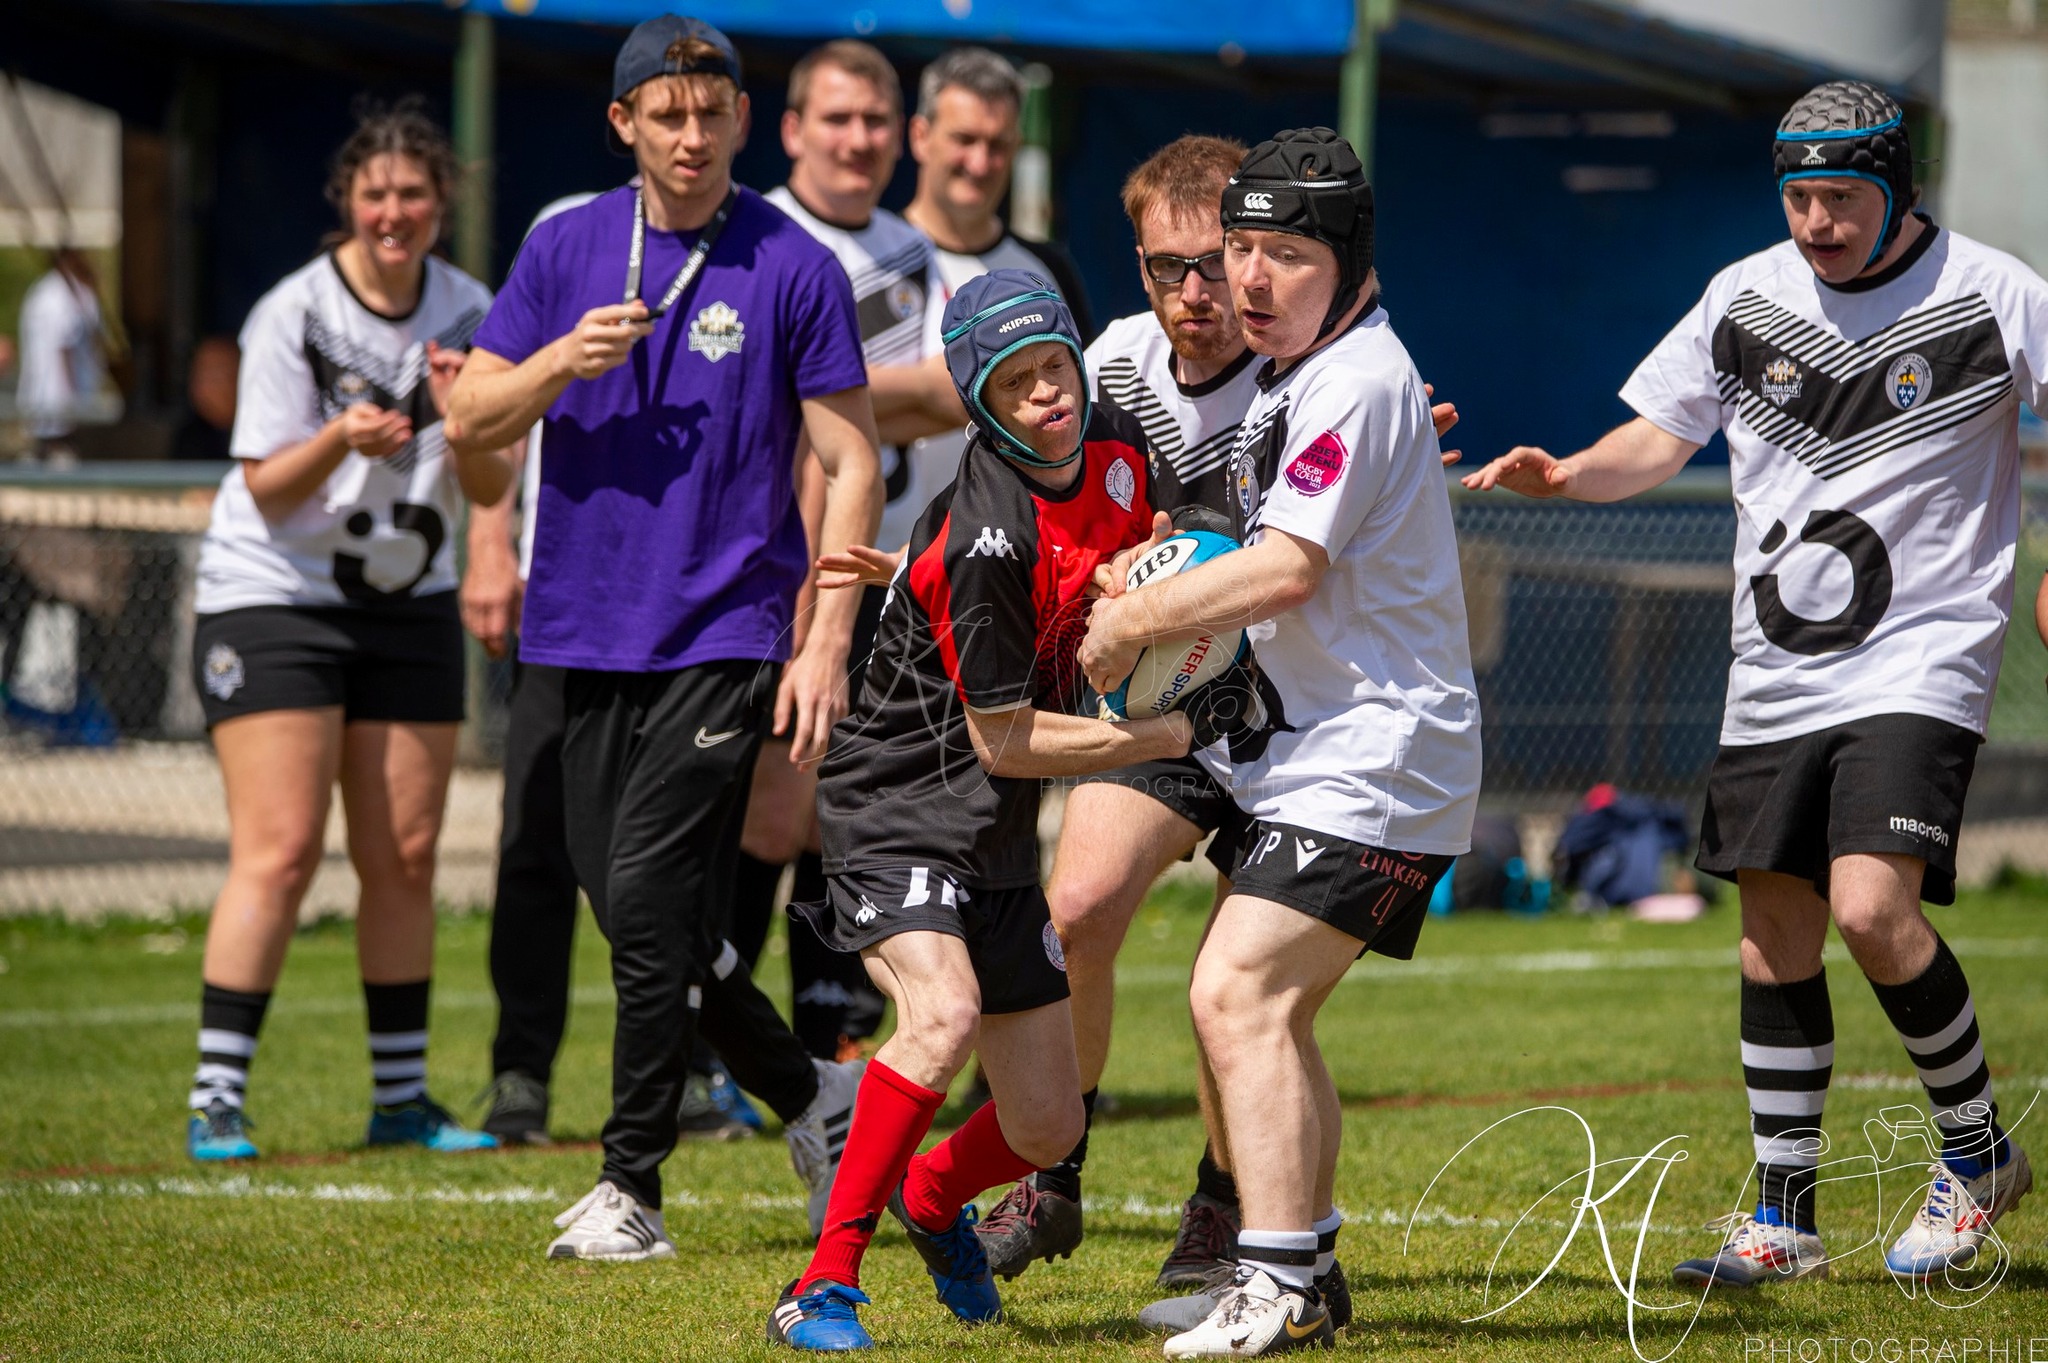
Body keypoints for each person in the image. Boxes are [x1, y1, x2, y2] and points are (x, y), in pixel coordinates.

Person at [1463, 79, 2042, 1288]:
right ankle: (1784, 1219)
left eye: (1840, 194)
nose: (1816, 219)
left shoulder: (1993, 295)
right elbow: (1656, 438)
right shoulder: (1742, 296)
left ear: (1899, 188)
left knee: (1871, 910)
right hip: (1774, 669)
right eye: (1797, 195)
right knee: (1770, 934)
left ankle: (1977, 1149)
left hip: (1922, 653)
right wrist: (1565, 476)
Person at [969, 136, 1460, 1303]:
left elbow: (1292, 557)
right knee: (1081, 909)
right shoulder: (1110, 368)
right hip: (1181, 707)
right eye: (1174, 268)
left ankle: (1230, 1219)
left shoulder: (1324, 367)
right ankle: (1060, 1174)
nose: (1211, 292)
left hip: (1298, 714)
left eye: (1242, 258)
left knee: (1234, 983)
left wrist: (1137, 611)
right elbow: (1029, 507)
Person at [445, 15, 882, 1261]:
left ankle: (631, 1186)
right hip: (579, 628)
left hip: (725, 628)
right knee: (640, 918)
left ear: (744, 120)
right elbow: (469, 415)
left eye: (712, 113)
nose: (691, 136)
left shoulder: (793, 265)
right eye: (666, 114)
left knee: (644, 896)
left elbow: (851, 462)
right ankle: (816, 1098)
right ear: (624, 124)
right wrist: (553, 369)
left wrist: (824, 638)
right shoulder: (563, 244)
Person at [766, 270, 1196, 1351]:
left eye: (1055, 365)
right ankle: (821, 1285)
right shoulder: (986, 533)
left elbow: (1190, 529)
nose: (1047, 393)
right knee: (941, 1015)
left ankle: (928, 1196)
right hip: (897, 805)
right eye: (1016, 383)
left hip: (995, 829)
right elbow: (1001, 736)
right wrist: (1163, 737)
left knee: (1050, 1122)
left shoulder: (1117, 444)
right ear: (982, 404)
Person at [182, 101, 514, 1163]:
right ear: (347, 202)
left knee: (406, 855)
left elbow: (489, 475)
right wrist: (340, 434)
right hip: (273, 595)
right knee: (279, 851)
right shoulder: (294, 310)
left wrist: (462, 418)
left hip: (406, 602)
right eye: (375, 193)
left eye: (414, 193)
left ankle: (402, 1101)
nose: (394, 212)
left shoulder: (471, 308)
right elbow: (269, 490)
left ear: (440, 203)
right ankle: (217, 1096)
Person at [738, 38, 961, 1068]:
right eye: (836, 118)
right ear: (789, 130)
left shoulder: (913, 253)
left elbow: (933, 399)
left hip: (882, 573)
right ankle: (727, 1047)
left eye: (875, 120)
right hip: (782, 575)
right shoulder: (757, 239)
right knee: (772, 807)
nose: (858, 139)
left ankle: (822, 1040)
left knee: (842, 811)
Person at [16, 248, 114, 460]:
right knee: (60, 446)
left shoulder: (44, 291)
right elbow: (64, 345)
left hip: (47, 393)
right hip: (63, 393)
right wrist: (72, 396)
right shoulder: (60, 294)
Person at [171, 337, 240, 461]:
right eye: (198, 375)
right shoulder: (190, 437)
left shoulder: (262, 431)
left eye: (214, 376)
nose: (202, 386)